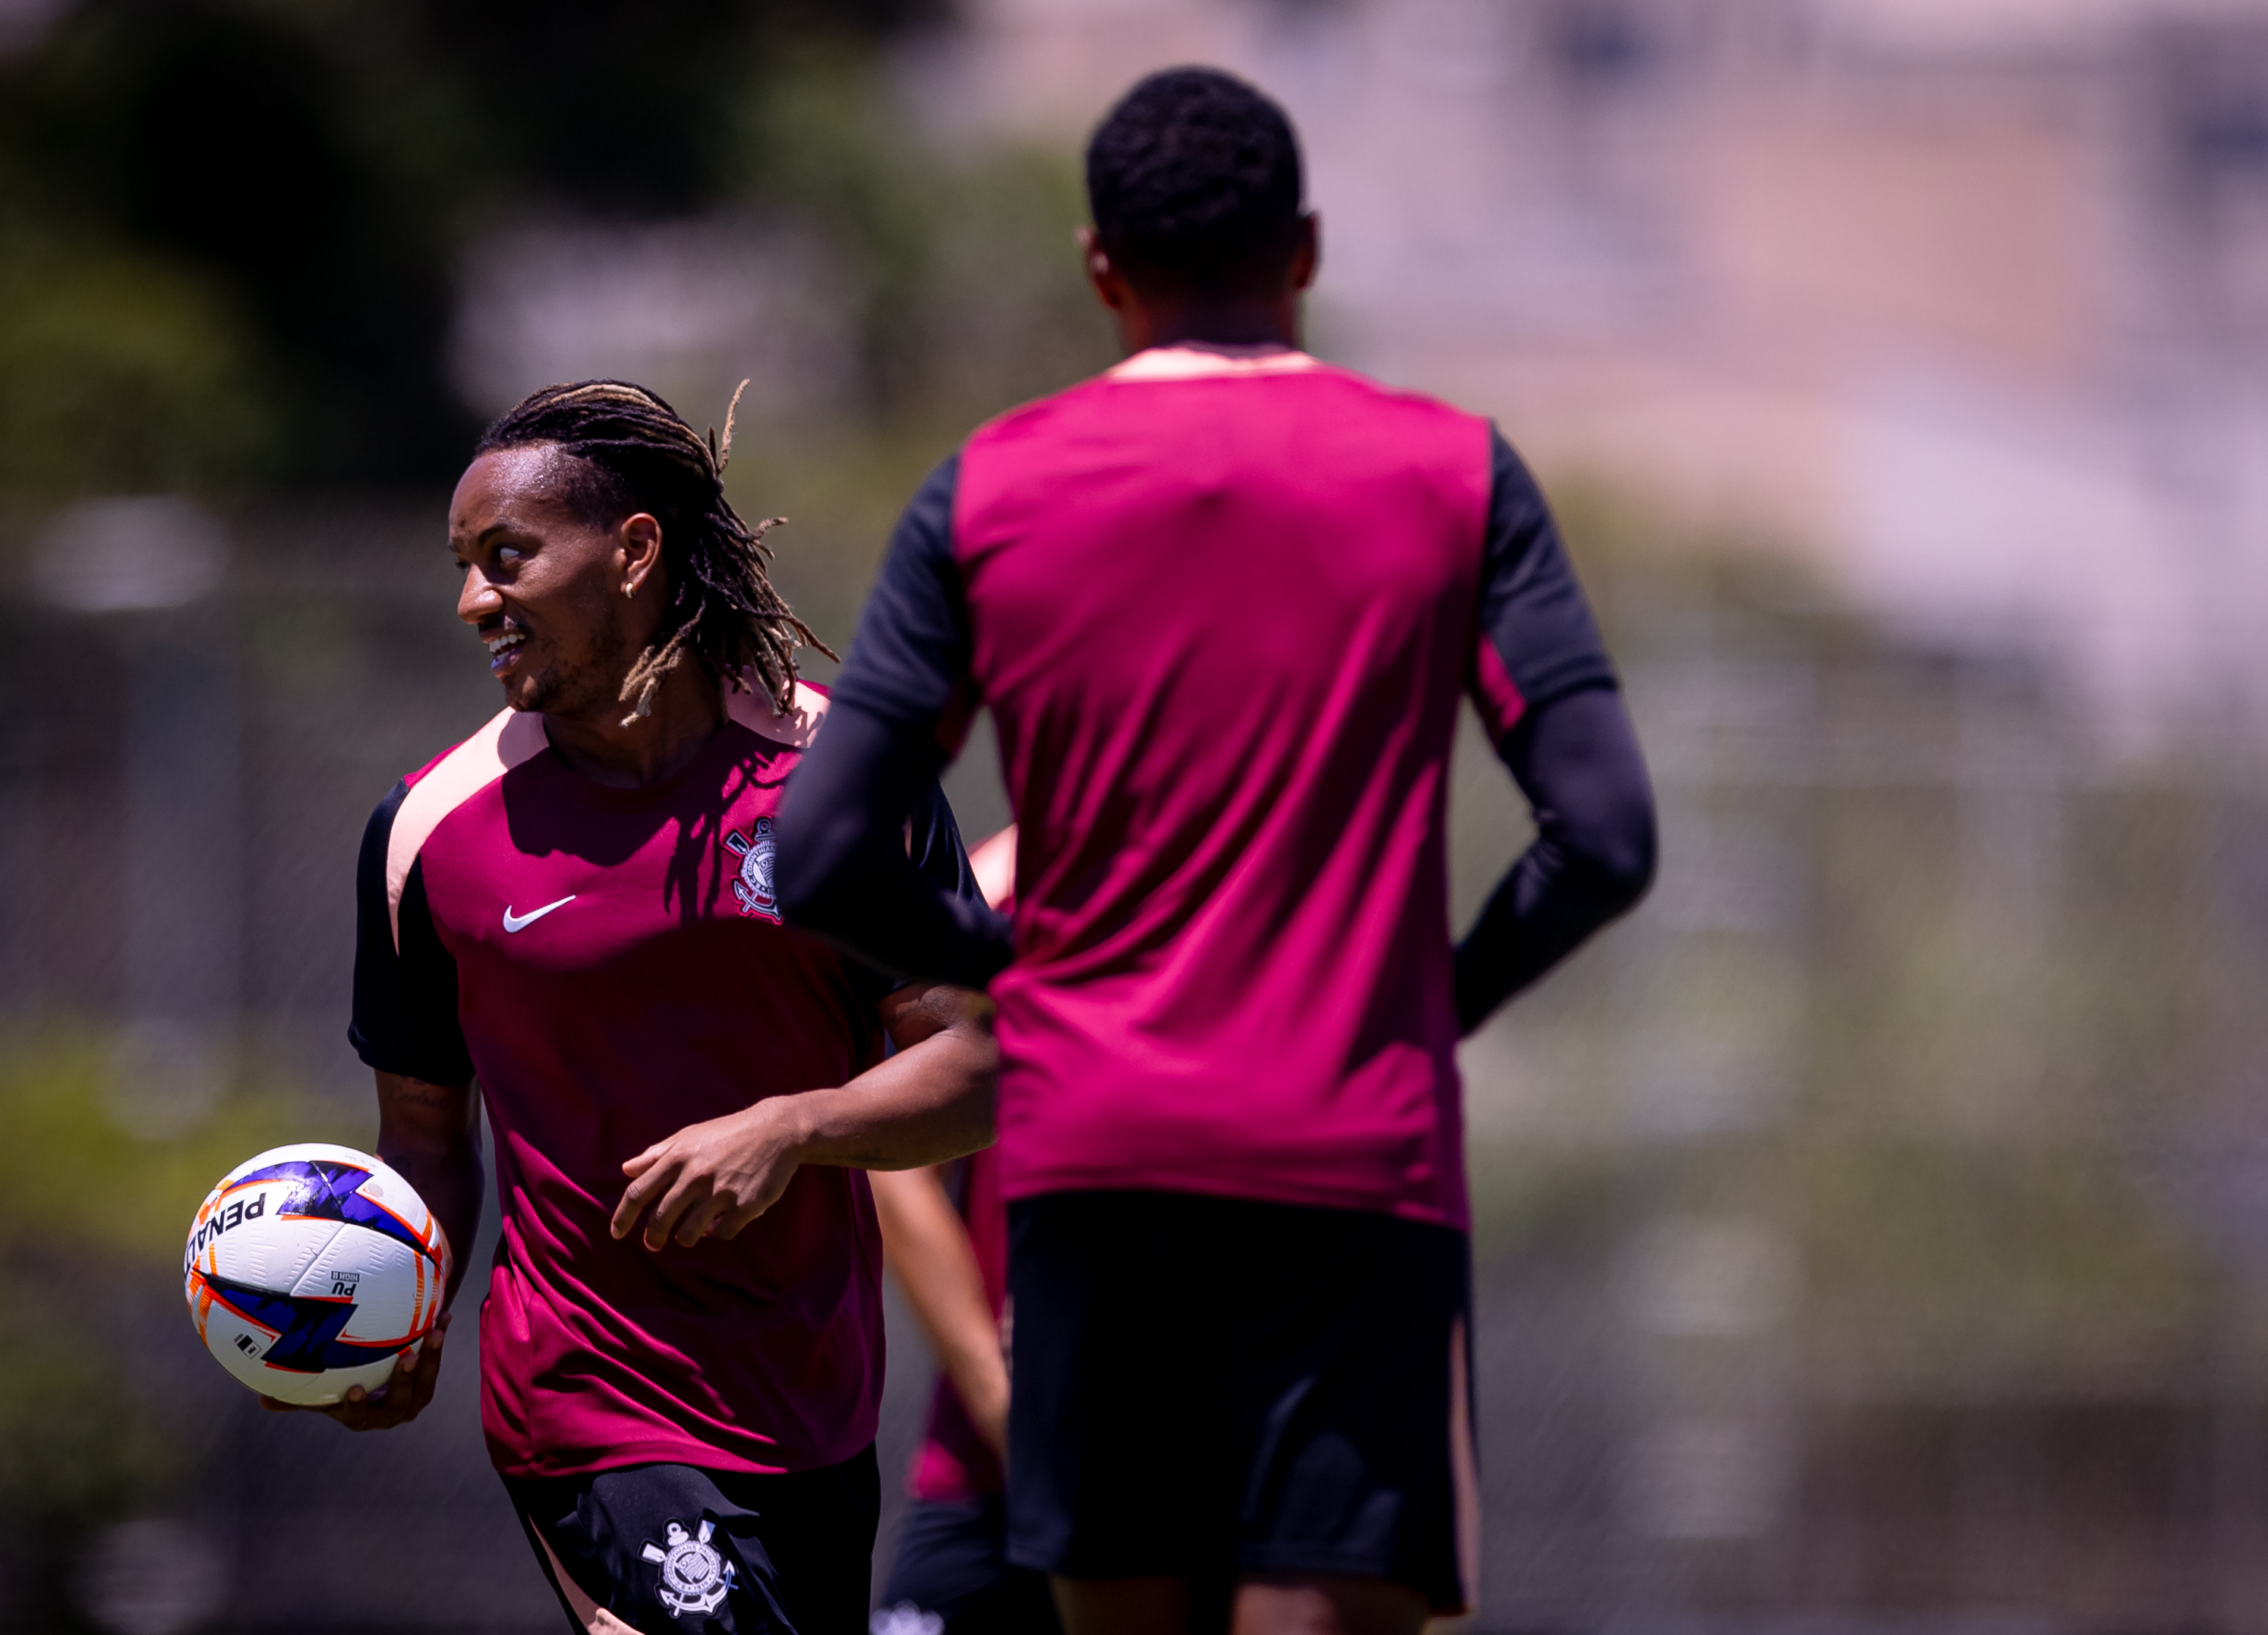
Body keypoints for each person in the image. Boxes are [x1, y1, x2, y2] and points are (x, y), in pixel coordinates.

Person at [778, 67, 1658, 1635]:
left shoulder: (989, 489)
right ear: (1305, 248)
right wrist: (1429, 1005)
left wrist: (1021, 979)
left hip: (1094, 1161)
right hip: (1351, 1166)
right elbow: (1602, 837)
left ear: (1100, 262)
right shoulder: (1455, 474)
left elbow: (830, 852)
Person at [274, 379, 998, 1635]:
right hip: (584, 1402)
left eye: (507, 557)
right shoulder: (426, 836)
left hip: (812, 1407)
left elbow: (978, 1069)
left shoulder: (843, 787)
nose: (472, 601)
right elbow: (427, 1142)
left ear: (635, 550)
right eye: (461, 565)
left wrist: (795, 1125)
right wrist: (400, 1300)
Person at [869, 827, 1063, 1635]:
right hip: (991, 1470)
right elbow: (895, 1163)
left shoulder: (1282, 898)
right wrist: (1003, 1405)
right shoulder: (1007, 890)